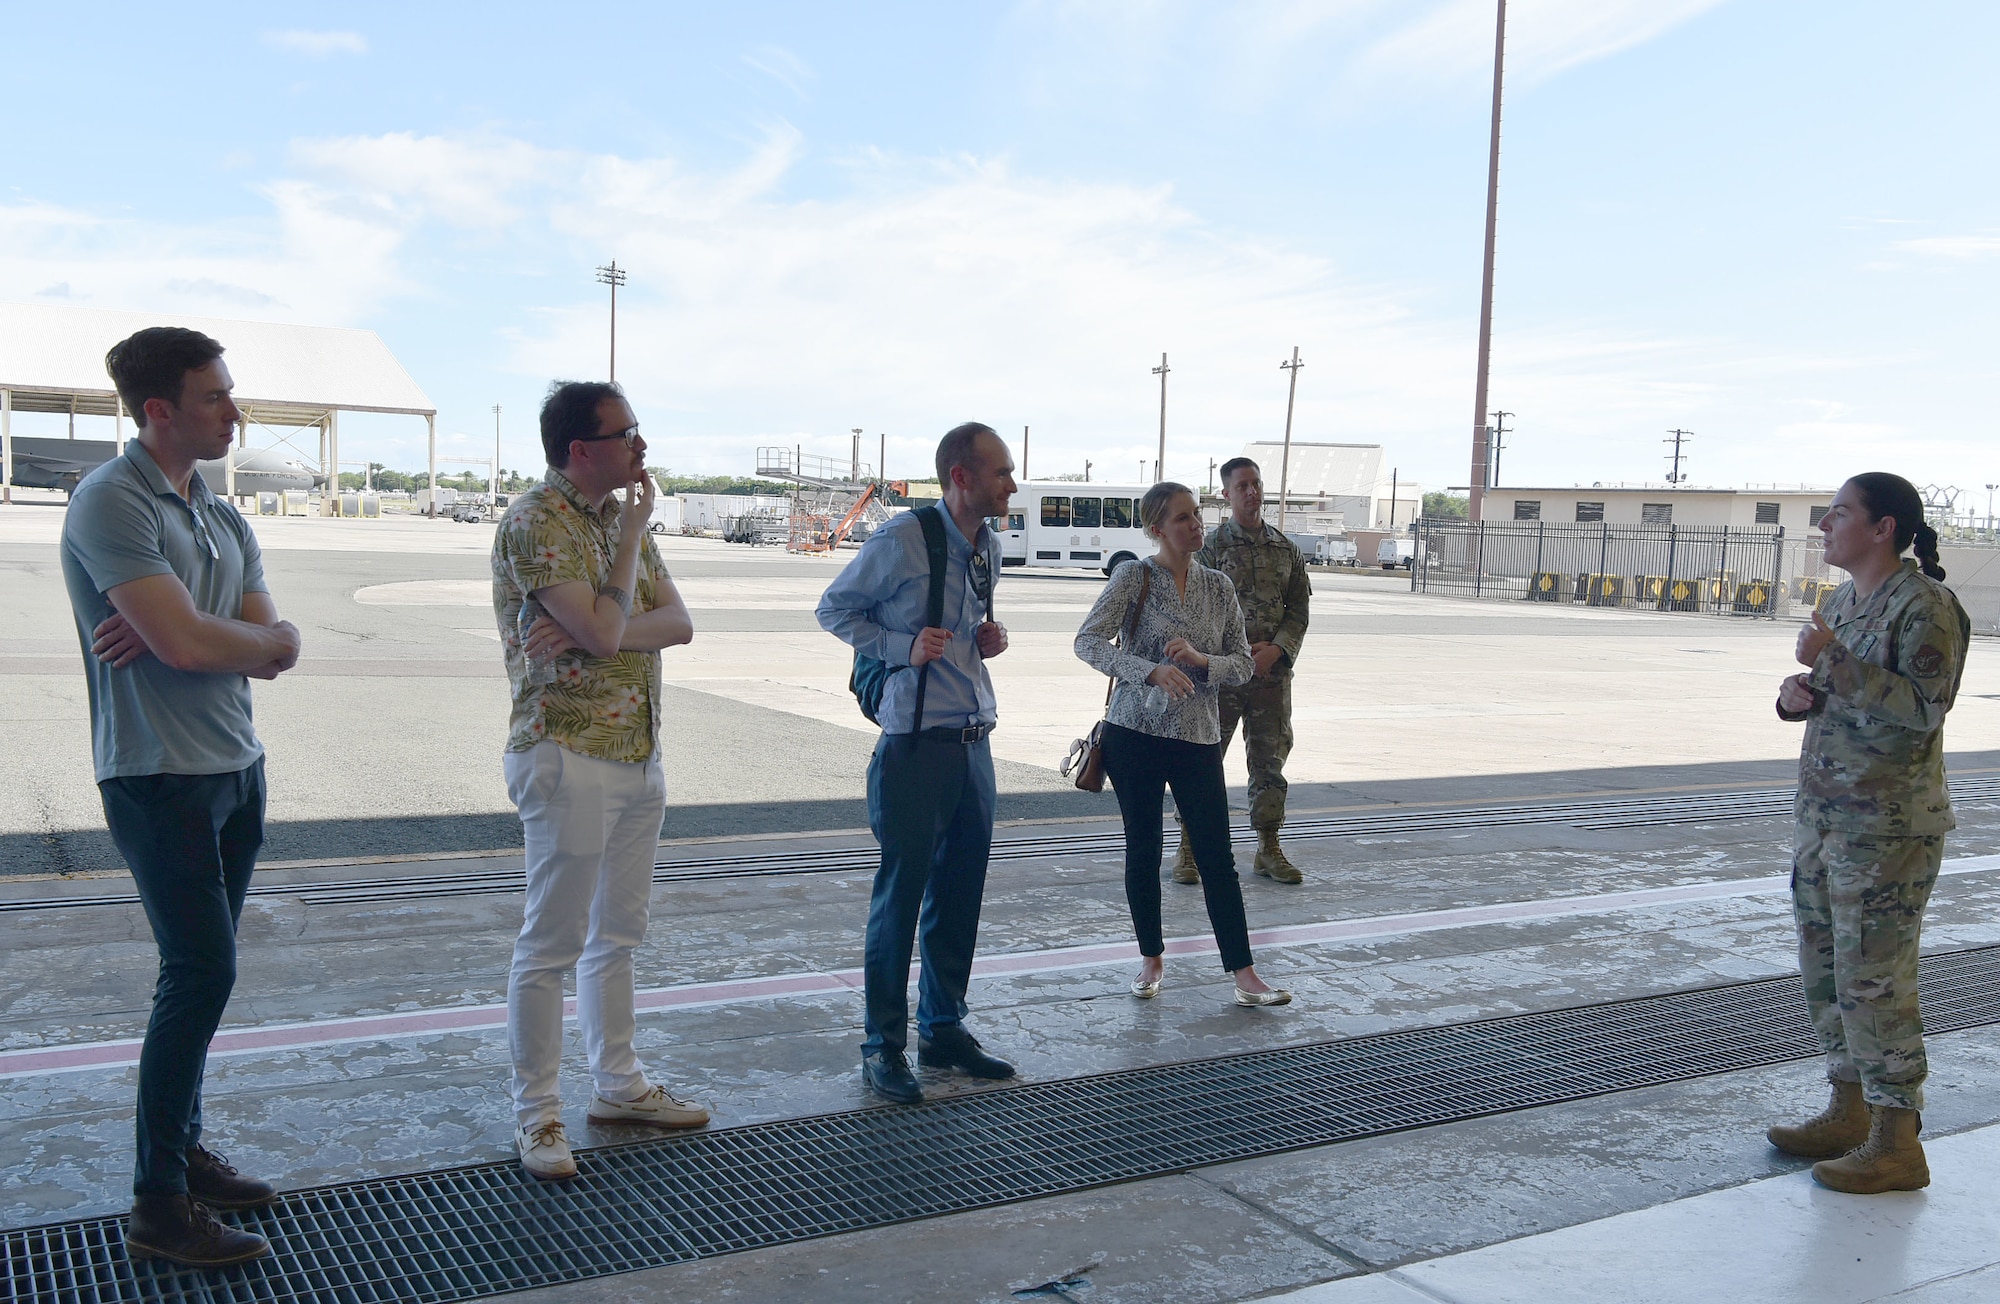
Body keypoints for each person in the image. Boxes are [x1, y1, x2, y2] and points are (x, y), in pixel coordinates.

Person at [61, 327, 302, 1266]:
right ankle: (159, 1202)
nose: (233, 413)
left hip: (236, 766)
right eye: (214, 398)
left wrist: (193, 630)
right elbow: (207, 648)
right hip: (155, 773)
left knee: (209, 975)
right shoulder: (110, 501)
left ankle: (184, 1150)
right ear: (158, 409)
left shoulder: (218, 513)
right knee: (199, 974)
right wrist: (198, 635)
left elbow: (275, 642)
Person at [491, 380, 702, 1181]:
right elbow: (612, 630)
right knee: (551, 944)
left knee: (619, 937)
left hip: (637, 753)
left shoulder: (623, 519)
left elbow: (672, 624)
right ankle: (537, 1113)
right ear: (581, 449)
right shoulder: (535, 522)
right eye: (626, 432)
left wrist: (602, 629)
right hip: (566, 753)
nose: (640, 445)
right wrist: (613, 609)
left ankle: (619, 1085)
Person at [1767, 472, 1970, 1194]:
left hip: (1887, 829)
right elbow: (1842, 694)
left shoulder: (1927, 606)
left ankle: (1897, 1141)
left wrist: (1827, 661)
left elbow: (1922, 708)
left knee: (1875, 981)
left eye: (1840, 513)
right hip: (1827, 819)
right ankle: (1849, 1112)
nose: (1825, 524)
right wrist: (1797, 697)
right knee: (1826, 971)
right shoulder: (1847, 601)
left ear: (1883, 527)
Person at [817, 422, 1018, 1104]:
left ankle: (944, 1028)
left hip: (972, 743)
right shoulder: (902, 539)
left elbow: (964, 631)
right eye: (1001, 474)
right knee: (900, 902)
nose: (1011, 485)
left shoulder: (985, 546)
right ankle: (883, 1045)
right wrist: (902, 646)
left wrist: (984, 640)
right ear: (962, 478)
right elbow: (834, 608)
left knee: (959, 899)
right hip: (914, 749)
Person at [1074, 482, 1291, 1007]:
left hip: (1197, 737)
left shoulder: (1218, 586)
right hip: (1135, 736)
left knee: (1217, 854)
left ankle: (1244, 973)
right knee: (1142, 851)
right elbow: (1087, 641)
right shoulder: (1134, 577)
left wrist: (1200, 661)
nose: (1196, 525)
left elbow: (1242, 663)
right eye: (1182, 518)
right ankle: (1151, 959)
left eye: (1196, 515)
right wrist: (1148, 670)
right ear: (1156, 529)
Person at [1176, 456, 1311, 885]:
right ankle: (1189, 848)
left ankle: (1268, 847)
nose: (1253, 492)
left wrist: (1278, 650)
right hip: (1220, 680)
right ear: (1227, 495)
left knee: (1269, 763)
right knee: (1203, 762)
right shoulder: (1211, 548)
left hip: (1270, 679)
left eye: (1257, 484)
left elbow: (1299, 610)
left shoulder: (1285, 549)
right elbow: (1193, 608)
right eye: (1243, 486)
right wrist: (1220, 658)